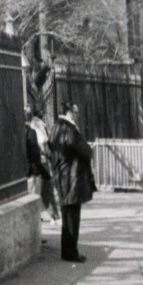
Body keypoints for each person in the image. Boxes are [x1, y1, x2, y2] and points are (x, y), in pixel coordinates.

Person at [48, 102, 95, 263]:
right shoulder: (70, 129)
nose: (77, 115)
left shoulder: (56, 127)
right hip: (72, 178)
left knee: (66, 214)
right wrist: (89, 149)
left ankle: (67, 251)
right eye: (76, 112)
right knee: (73, 217)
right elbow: (85, 151)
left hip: (61, 176)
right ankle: (71, 253)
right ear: (69, 112)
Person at [25, 106, 60, 222]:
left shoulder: (37, 124)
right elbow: (43, 142)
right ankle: (47, 215)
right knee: (39, 190)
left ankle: (53, 214)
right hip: (38, 162)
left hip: (41, 161)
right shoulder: (33, 127)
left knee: (44, 188)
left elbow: (44, 142)